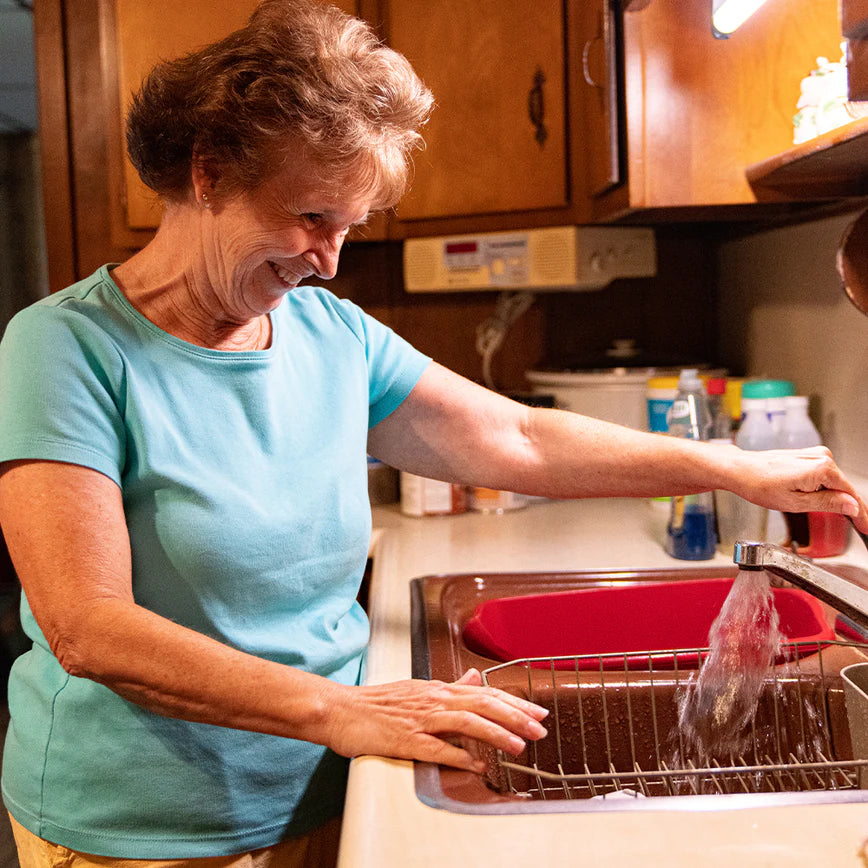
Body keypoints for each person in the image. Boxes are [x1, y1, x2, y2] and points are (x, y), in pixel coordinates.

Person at [0, 1, 865, 865]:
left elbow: (518, 439)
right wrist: (341, 710)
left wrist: (730, 466)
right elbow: (89, 626)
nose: (330, 259)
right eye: (310, 217)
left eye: (349, 227)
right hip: (143, 824)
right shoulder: (68, 346)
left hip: (327, 779)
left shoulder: (331, 335)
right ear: (208, 171)